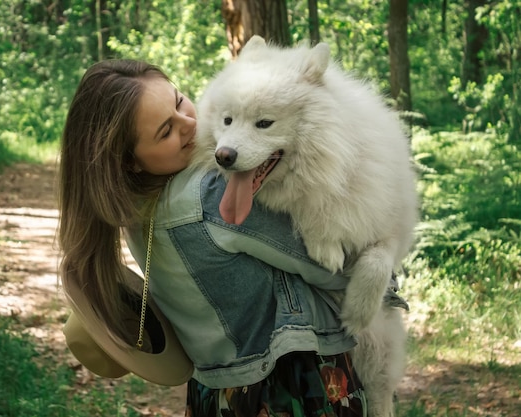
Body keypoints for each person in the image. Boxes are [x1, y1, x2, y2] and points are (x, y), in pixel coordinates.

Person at [58, 59, 368, 417]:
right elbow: (336, 271)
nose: (191, 124)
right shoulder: (208, 196)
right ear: (131, 162)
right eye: (165, 131)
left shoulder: (133, 211)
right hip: (290, 390)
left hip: (216, 396)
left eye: (179, 102)